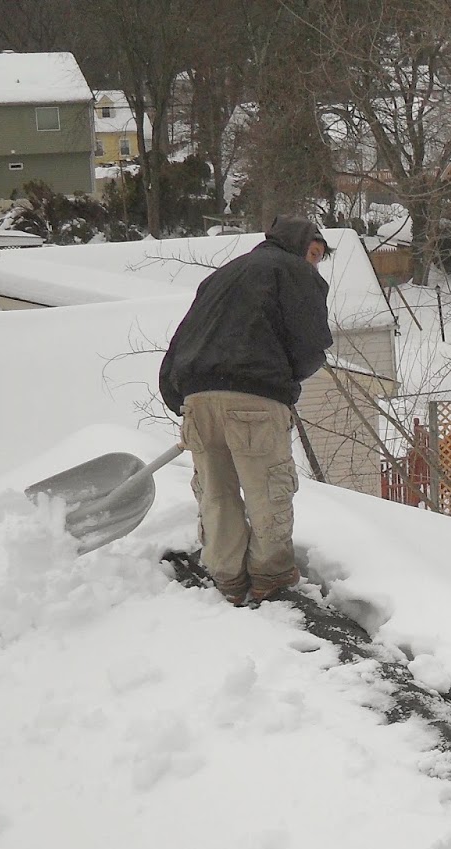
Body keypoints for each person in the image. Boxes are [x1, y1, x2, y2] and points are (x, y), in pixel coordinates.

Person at [159, 216, 333, 605]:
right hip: (255, 399)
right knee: (267, 491)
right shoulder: (293, 271)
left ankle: (228, 582)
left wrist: (180, 400)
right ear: (298, 244)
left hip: (197, 399)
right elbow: (311, 343)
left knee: (216, 496)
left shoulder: (220, 277)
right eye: (314, 253)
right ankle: (271, 579)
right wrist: (287, 381)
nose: (315, 264)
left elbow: (183, 338)